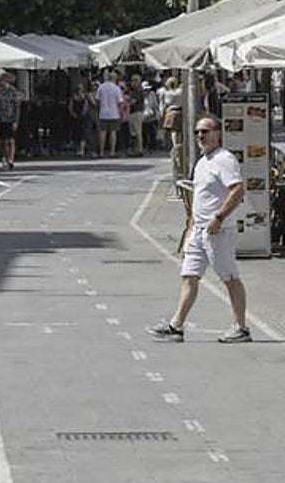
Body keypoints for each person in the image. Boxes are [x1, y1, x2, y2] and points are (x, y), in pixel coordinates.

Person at [147, 117, 252, 344]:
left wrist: (219, 217)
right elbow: (201, 196)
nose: (200, 136)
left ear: (218, 133)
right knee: (189, 275)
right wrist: (191, 224)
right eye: (197, 132)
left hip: (218, 231)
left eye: (205, 131)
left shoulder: (224, 160)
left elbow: (237, 189)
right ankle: (176, 325)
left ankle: (241, 327)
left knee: (229, 277)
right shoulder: (203, 161)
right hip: (199, 230)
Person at [0, 74, 20, 168]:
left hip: (9, 118)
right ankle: (1, 158)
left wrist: (16, 120)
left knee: (10, 140)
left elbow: (16, 106)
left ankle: (10, 160)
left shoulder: (12, 91)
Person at [96, 72, 124, 158]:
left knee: (103, 132)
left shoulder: (101, 87)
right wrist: (121, 113)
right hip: (114, 113)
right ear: (115, 78)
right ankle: (112, 152)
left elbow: (97, 99)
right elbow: (120, 102)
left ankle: (101, 152)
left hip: (103, 113)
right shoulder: (116, 88)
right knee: (113, 132)